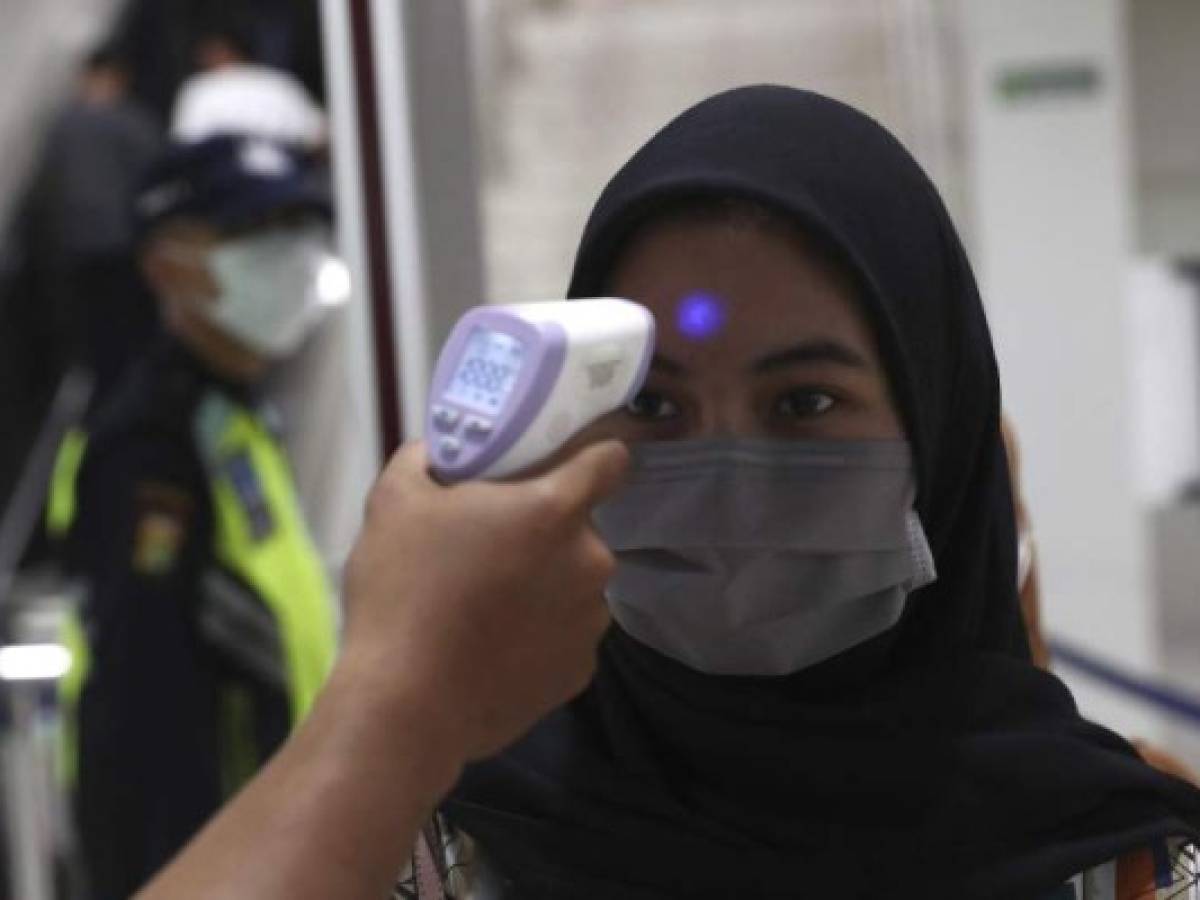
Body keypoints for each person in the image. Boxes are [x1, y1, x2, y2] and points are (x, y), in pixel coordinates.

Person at [139, 86, 1200, 899]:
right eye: (652, 407)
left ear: (942, 436)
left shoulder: (1125, 868)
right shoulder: (445, 853)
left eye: (805, 404)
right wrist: (390, 707)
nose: (727, 483)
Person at [47, 133, 345, 899]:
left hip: (285, 839)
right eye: (250, 235)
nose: (285, 257)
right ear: (166, 266)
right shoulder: (147, 445)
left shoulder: (233, 417)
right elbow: (141, 716)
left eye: (295, 231)